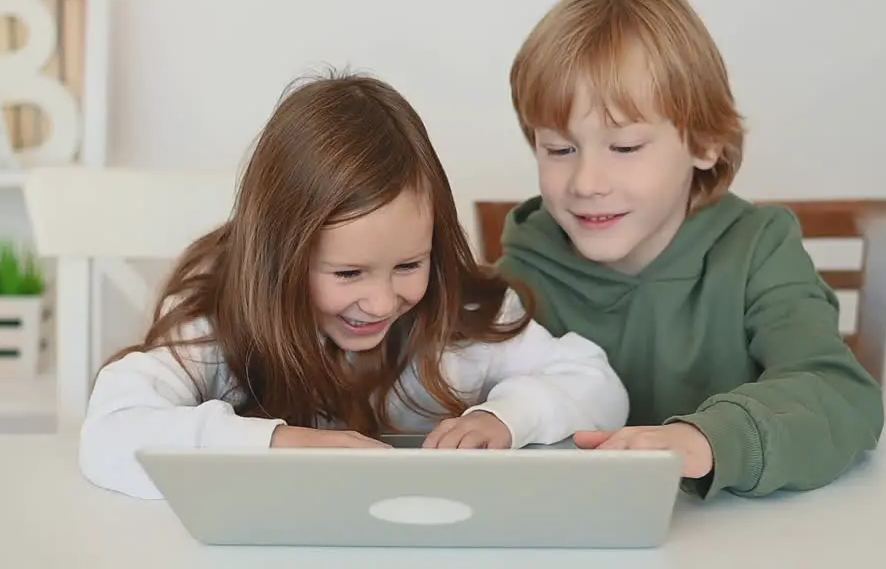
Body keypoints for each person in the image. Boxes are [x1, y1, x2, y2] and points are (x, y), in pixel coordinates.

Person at [78, 72, 630, 499]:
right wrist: (279, 444)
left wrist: (508, 416)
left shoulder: (460, 315)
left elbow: (596, 384)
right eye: (348, 274)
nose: (383, 300)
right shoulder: (222, 316)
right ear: (278, 260)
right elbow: (111, 429)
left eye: (409, 265)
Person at [495, 0, 885, 500]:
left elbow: (840, 395)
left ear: (704, 144)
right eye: (560, 150)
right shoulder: (519, 276)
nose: (587, 183)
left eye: (626, 147)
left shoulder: (758, 251)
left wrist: (705, 440)